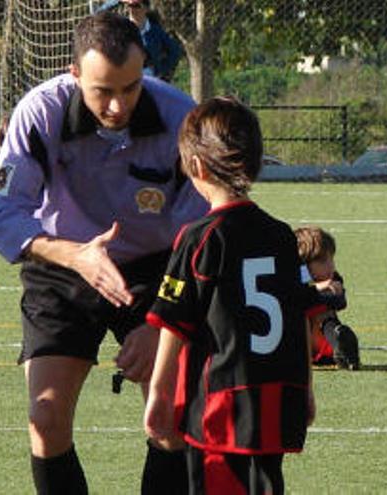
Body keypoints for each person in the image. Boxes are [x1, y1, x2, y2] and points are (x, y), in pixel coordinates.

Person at [0, 11, 207, 494]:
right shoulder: (39, 113)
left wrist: (161, 323)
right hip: (63, 265)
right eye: (102, 91)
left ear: (144, 69)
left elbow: (199, 234)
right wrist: (77, 255)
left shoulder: (178, 117)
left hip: (157, 271)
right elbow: (3, 217)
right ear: (74, 75)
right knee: (45, 417)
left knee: (168, 415)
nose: (116, 105)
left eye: (129, 88)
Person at [143, 96, 322, 494]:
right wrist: (306, 389)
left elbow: (173, 322)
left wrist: (159, 393)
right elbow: (299, 317)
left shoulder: (199, 238)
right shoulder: (280, 235)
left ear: (196, 166)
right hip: (277, 400)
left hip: (219, 407)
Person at [294, 226, 361, 370]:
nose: (331, 266)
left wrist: (322, 288)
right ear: (304, 265)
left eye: (332, 259)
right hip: (294, 348)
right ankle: (339, 346)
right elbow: (296, 298)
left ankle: (341, 347)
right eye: (323, 261)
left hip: (322, 350)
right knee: (309, 304)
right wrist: (316, 288)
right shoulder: (296, 279)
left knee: (323, 308)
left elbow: (340, 302)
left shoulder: (333, 279)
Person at [96, 0, 183, 82]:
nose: (132, 9)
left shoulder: (155, 30)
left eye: (136, 5)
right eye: (130, 6)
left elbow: (175, 51)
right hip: (125, 76)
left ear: (146, 9)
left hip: (149, 78)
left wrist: (161, 70)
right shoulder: (121, 28)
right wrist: (117, 1)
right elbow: (97, 17)